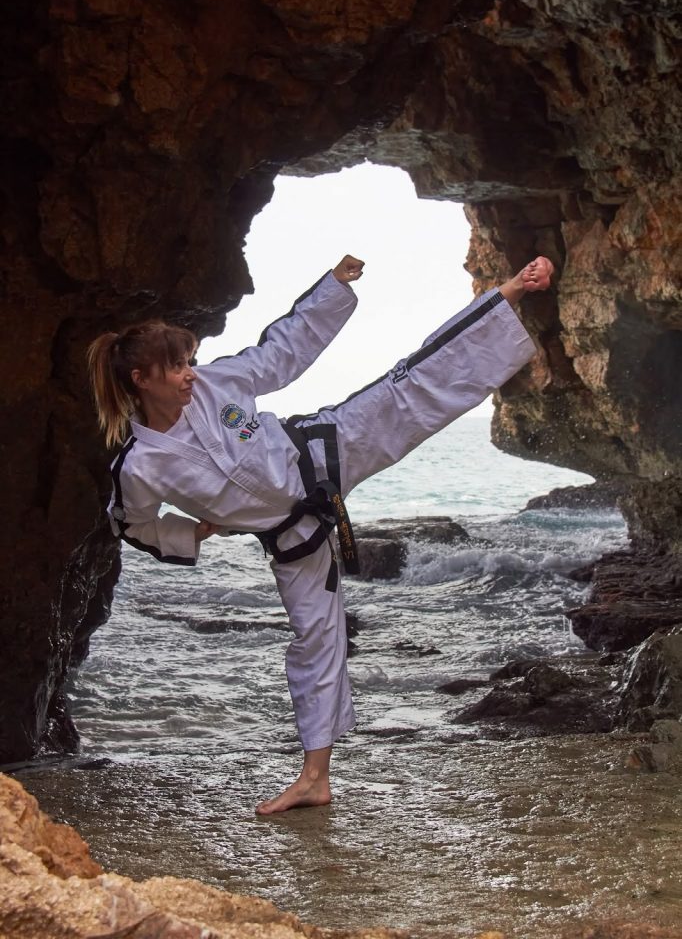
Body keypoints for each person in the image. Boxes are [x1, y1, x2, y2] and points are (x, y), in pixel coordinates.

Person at [87, 253, 553, 814]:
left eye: (190, 359)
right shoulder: (139, 467)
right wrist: (195, 533)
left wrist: (331, 288)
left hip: (324, 453)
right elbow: (134, 525)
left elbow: (283, 351)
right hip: (293, 537)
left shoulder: (218, 384)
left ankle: (512, 292)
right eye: (177, 366)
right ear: (140, 381)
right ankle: (315, 778)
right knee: (314, 642)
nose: (191, 373)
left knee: (411, 383)